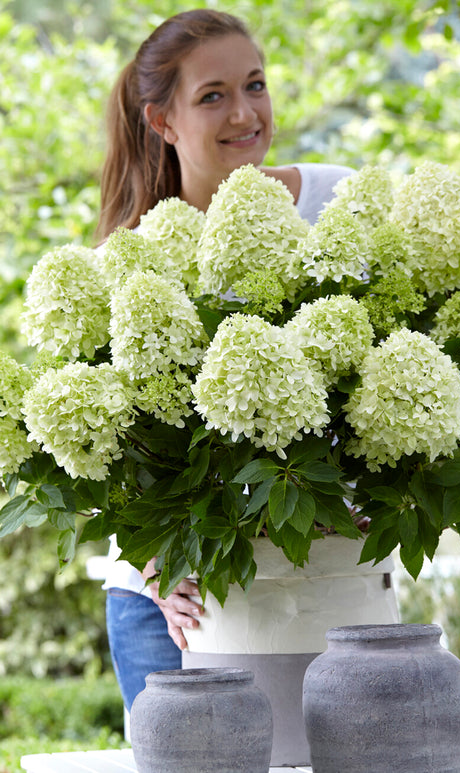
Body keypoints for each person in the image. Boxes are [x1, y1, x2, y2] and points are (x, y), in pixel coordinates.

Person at [97, 8, 356, 713]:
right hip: (178, 606)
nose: (245, 113)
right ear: (162, 122)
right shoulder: (129, 259)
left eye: (256, 85)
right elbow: (101, 449)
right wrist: (155, 567)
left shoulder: (338, 201)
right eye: (212, 95)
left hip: (321, 583)